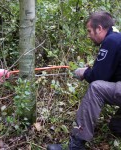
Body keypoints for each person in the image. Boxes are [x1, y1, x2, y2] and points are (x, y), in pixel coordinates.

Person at [47, 11, 121, 150]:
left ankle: (76, 144)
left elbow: (98, 78)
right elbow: (110, 74)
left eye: (89, 31)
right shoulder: (117, 38)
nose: (88, 35)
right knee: (116, 126)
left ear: (99, 28)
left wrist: (84, 72)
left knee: (96, 88)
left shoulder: (110, 41)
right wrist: (92, 71)